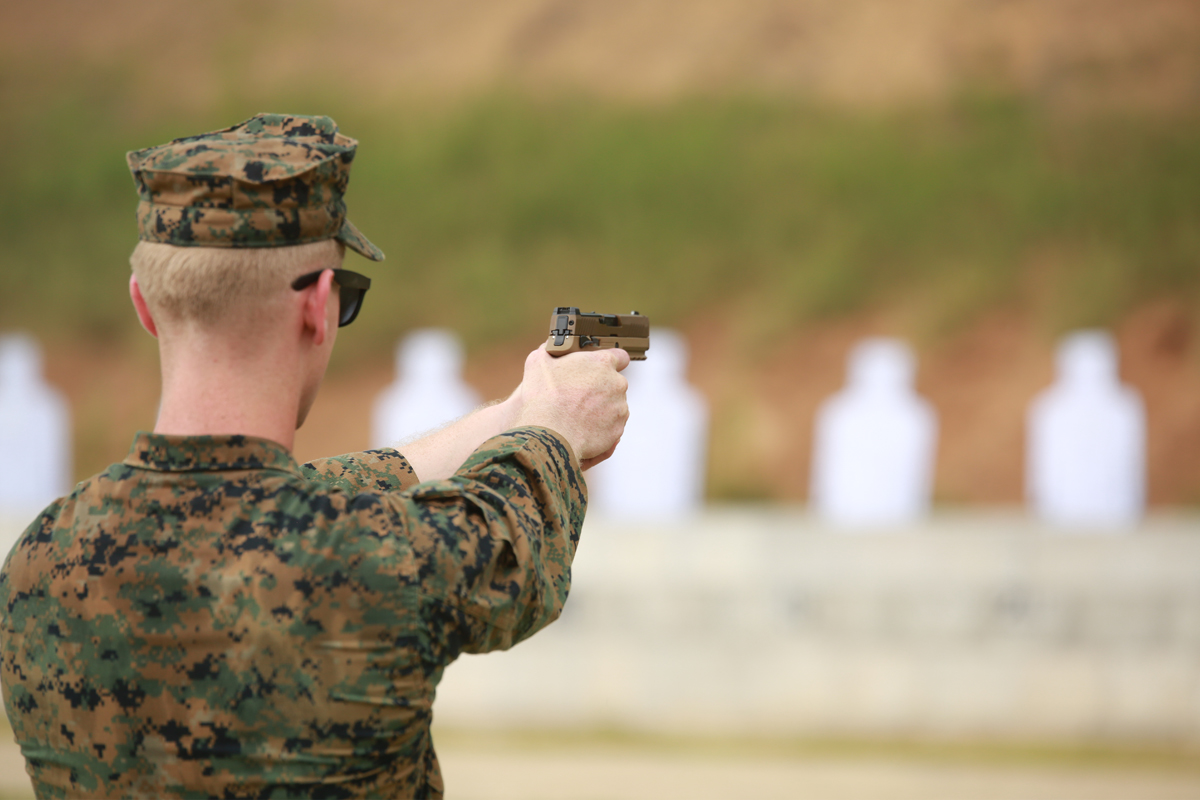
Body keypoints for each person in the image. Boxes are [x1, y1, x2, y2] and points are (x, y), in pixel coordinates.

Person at [0, 114, 629, 799]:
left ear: (144, 305)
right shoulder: (378, 560)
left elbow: (274, 503)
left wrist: (515, 414)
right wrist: (553, 432)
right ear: (320, 306)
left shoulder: (40, 561)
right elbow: (503, 542)